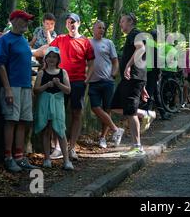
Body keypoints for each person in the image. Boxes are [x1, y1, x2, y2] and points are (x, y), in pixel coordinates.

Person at [0, 10, 39, 172]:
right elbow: (0, 64)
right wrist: (7, 89)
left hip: (25, 86)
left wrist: (30, 87)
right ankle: (8, 158)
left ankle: (19, 157)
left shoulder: (23, 40)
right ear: (13, 21)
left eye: (27, 20)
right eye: (23, 20)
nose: (27, 23)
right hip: (12, 86)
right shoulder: (5, 40)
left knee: (23, 121)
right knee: (11, 121)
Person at [49, 13, 95, 160]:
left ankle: (72, 148)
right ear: (66, 25)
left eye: (74, 22)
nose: (71, 24)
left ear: (79, 23)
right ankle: (57, 148)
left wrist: (87, 79)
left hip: (77, 82)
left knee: (76, 114)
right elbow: (48, 52)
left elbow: (91, 63)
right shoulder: (60, 39)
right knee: (57, 114)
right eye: (69, 22)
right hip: (60, 81)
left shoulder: (85, 42)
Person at [110, 13, 156, 158]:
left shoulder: (134, 34)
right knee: (115, 106)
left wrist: (128, 66)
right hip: (133, 79)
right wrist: (141, 87)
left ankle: (137, 146)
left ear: (130, 22)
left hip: (133, 78)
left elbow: (141, 49)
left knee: (130, 112)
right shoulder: (136, 34)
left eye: (122, 21)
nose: (120, 24)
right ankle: (145, 113)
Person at [33, 47, 74, 170]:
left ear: (58, 59)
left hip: (58, 104)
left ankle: (66, 160)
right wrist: (47, 85)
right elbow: (36, 90)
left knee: (60, 130)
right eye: (49, 56)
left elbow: (68, 90)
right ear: (45, 58)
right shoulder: (41, 73)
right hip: (44, 104)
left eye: (54, 57)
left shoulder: (63, 72)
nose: (52, 59)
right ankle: (47, 158)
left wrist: (58, 84)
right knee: (46, 129)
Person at [88, 20, 124, 149]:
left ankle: (102, 138)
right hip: (93, 81)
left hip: (107, 81)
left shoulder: (109, 43)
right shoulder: (87, 42)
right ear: (93, 29)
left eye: (103, 28)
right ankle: (116, 129)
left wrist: (113, 74)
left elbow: (115, 61)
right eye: (99, 27)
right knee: (95, 107)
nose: (101, 30)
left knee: (107, 109)